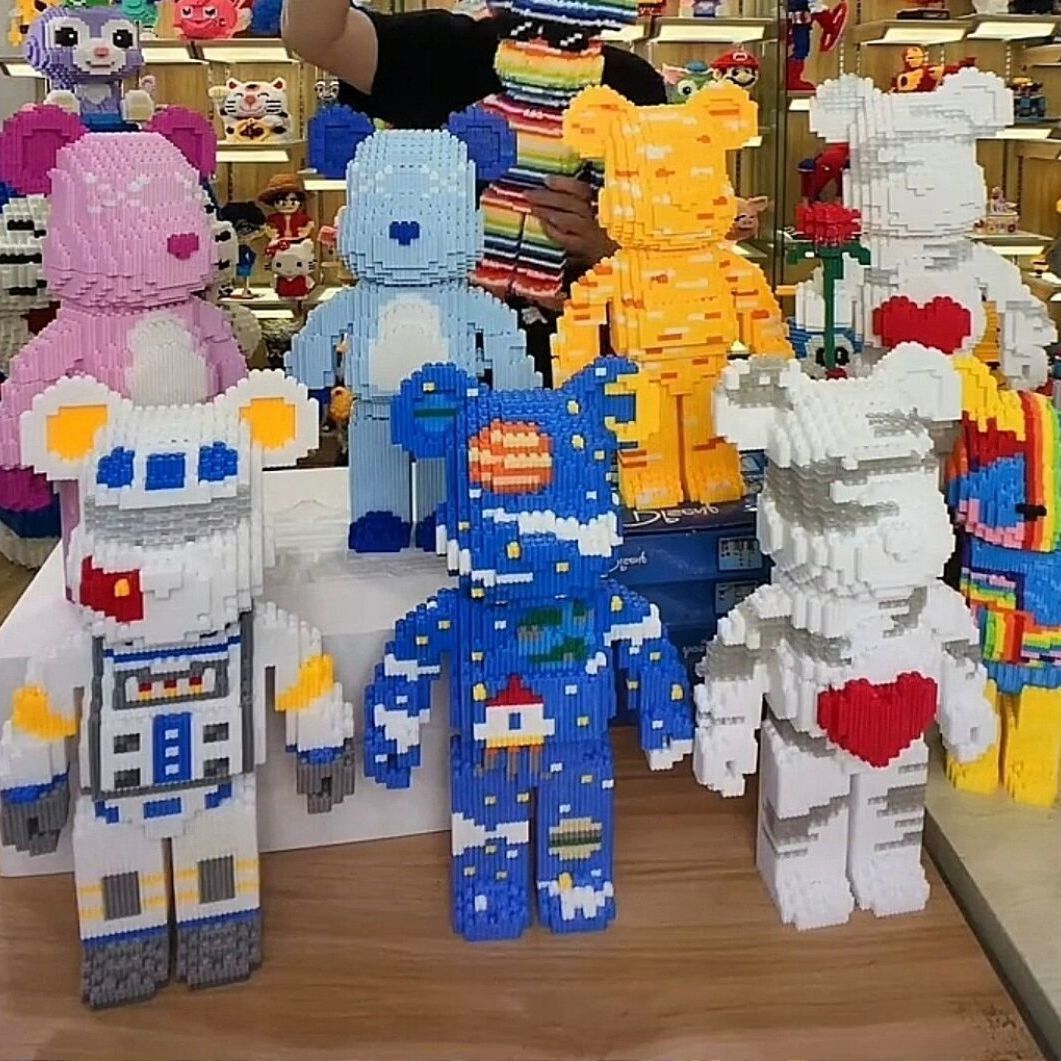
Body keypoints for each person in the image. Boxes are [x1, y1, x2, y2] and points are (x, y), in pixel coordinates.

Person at [282, 0, 666, 378]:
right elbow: (312, 34)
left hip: (582, 359)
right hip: (427, 351)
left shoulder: (628, 85)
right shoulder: (442, 50)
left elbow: (668, 251)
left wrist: (607, 247)